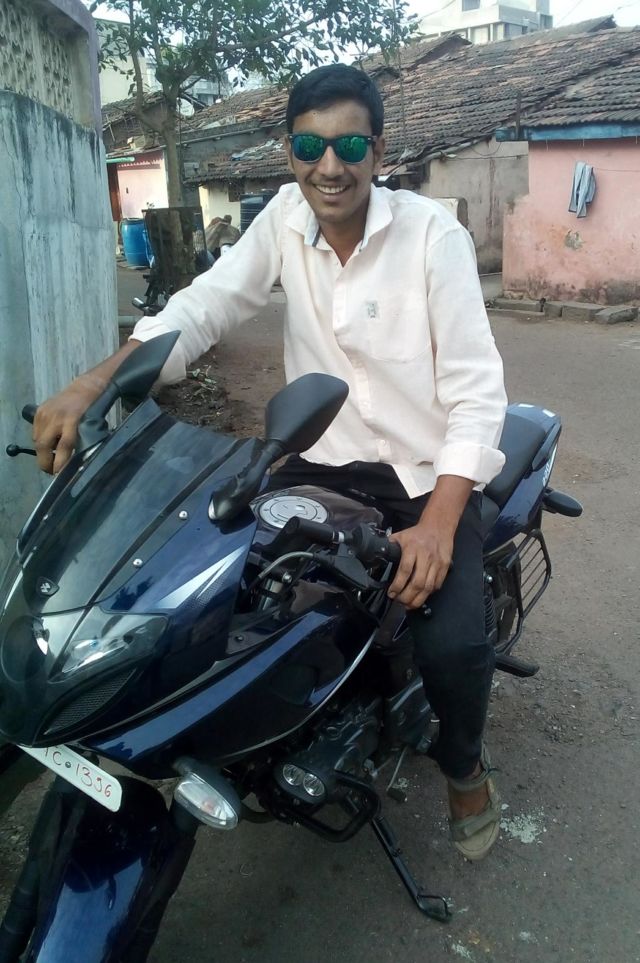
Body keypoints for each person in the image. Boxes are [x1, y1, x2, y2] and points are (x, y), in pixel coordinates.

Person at [33, 64, 507, 861]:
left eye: (349, 145)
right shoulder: (283, 220)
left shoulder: (434, 237)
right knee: (216, 589)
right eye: (310, 147)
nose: (331, 166)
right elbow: (205, 305)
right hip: (318, 463)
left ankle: (464, 769)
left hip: (427, 480)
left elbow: (475, 390)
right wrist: (96, 381)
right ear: (289, 153)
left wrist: (437, 525)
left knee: (453, 641)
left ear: (378, 150)